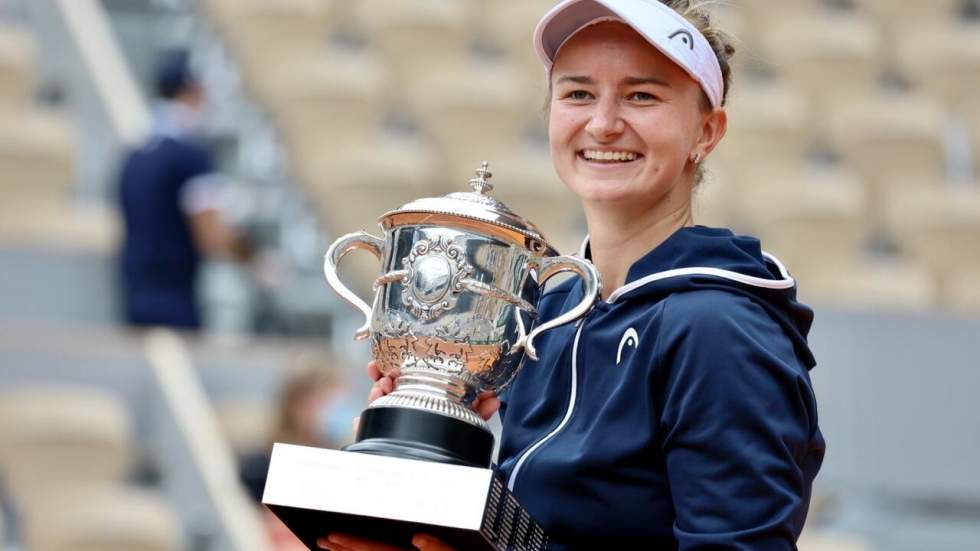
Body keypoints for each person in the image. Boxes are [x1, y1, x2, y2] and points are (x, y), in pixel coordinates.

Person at [320, 1, 825, 549]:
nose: (604, 124)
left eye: (642, 95)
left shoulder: (718, 329)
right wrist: (416, 447)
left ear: (707, 132)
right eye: (579, 93)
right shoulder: (547, 316)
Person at [118, 49, 253, 329]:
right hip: (175, 300)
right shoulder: (190, 155)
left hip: (133, 295)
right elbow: (212, 237)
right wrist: (255, 260)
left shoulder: (135, 154)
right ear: (190, 90)